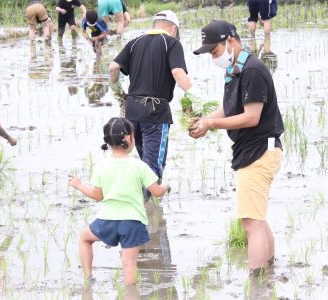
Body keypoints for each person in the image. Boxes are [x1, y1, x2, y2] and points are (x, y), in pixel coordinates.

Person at [191, 20, 284, 276]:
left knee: (250, 223)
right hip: (253, 150)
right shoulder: (235, 70)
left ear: (229, 41)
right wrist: (205, 121)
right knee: (257, 218)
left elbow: (251, 116)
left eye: (214, 51)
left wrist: (212, 123)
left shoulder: (252, 70)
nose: (213, 56)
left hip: (259, 151)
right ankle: (269, 272)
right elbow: (231, 109)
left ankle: (257, 282)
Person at [109, 10, 202, 199]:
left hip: (132, 111)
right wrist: (195, 96)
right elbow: (177, 72)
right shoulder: (172, 43)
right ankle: (143, 212)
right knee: (153, 168)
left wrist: (118, 91)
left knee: (145, 162)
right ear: (173, 28)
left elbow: (113, 67)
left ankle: (149, 210)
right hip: (155, 112)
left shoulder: (134, 42)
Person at [68, 117, 170, 286]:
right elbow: (157, 192)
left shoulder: (102, 166)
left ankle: (88, 280)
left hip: (107, 221)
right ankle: (131, 294)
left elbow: (97, 195)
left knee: (85, 238)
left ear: (107, 141)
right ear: (129, 138)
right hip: (132, 223)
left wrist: (79, 185)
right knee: (129, 265)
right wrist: (165, 186)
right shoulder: (139, 166)